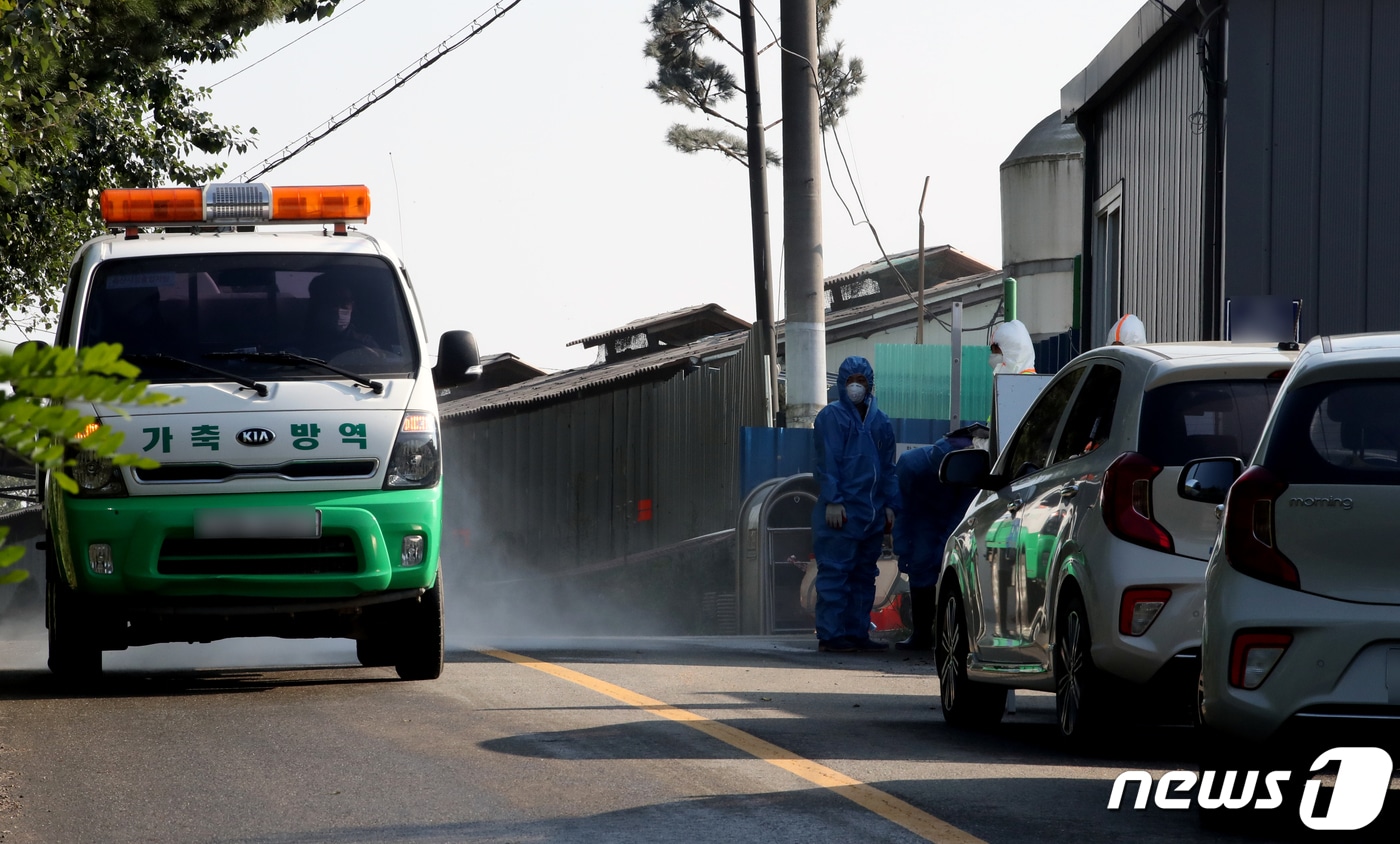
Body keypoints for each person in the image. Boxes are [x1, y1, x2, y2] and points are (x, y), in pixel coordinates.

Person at [811, 355, 901, 653]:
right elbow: (828, 463)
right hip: (842, 513)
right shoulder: (831, 417)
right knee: (836, 573)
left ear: (870, 384)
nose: (855, 387)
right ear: (841, 384)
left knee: (864, 576)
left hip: (871, 514)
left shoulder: (881, 422)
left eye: (860, 381)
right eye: (850, 381)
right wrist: (833, 501)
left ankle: (857, 633)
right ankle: (832, 635)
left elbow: (888, 468)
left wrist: (890, 504)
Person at [891, 423, 988, 650]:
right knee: (921, 565)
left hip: (951, 517)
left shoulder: (970, 469)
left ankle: (944, 633)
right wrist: (903, 545)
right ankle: (922, 633)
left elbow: (961, 514)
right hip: (923, 518)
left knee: (952, 568)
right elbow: (902, 508)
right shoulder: (912, 465)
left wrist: (945, 547)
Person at [305, 278, 380, 359]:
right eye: (332, 303)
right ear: (317, 306)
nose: (338, 310)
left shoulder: (365, 342)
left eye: (345, 303)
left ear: (353, 306)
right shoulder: (302, 341)